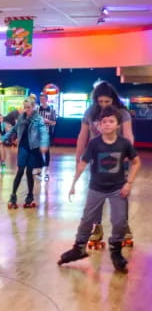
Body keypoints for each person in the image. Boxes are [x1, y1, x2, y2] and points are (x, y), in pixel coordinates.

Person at [58, 107, 141, 272]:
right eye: (104, 122)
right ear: (99, 125)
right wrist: (73, 183)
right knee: (87, 220)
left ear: (117, 125)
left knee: (119, 221)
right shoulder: (94, 143)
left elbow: (136, 162)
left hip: (118, 189)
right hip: (96, 188)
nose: (108, 124)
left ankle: (116, 252)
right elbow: (83, 163)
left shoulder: (123, 143)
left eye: (111, 121)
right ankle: (79, 248)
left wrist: (129, 183)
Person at [75, 81, 135, 246]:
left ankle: (124, 228)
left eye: (107, 102)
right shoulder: (90, 113)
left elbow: (129, 136)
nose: (103, 105)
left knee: (121, 195)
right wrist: (78, 157)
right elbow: (82, 135)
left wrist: (126, 157)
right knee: (96, 195)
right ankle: (97, 227)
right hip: (96, 161)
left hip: (118, 159)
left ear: (113, 100)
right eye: (100, 102)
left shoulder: (122, 113)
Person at [2, 99, 49, 208]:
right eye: (25, 107)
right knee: (20, 170)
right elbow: (14, 129)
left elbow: (43, 132)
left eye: (28, 107)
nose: (26, 109)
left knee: (29, 172)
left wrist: (44, 144)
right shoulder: (21, 118)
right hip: (23, 147)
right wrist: (4, 138)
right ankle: (13, 196)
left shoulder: (38, 119)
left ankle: (30, 197)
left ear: (33, 107)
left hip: (33, 148)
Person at [37, 93, 57, 180]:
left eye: (43, 99)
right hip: (38, 132)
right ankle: (40, 166)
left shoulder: (51, 110)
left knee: (46, 150)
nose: (42, 101)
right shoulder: (37, 110)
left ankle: (46, 167)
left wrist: (47, 121)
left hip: (47, 132)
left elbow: (54, 122)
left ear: (46, 99)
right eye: (41, 99)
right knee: (38, 150)